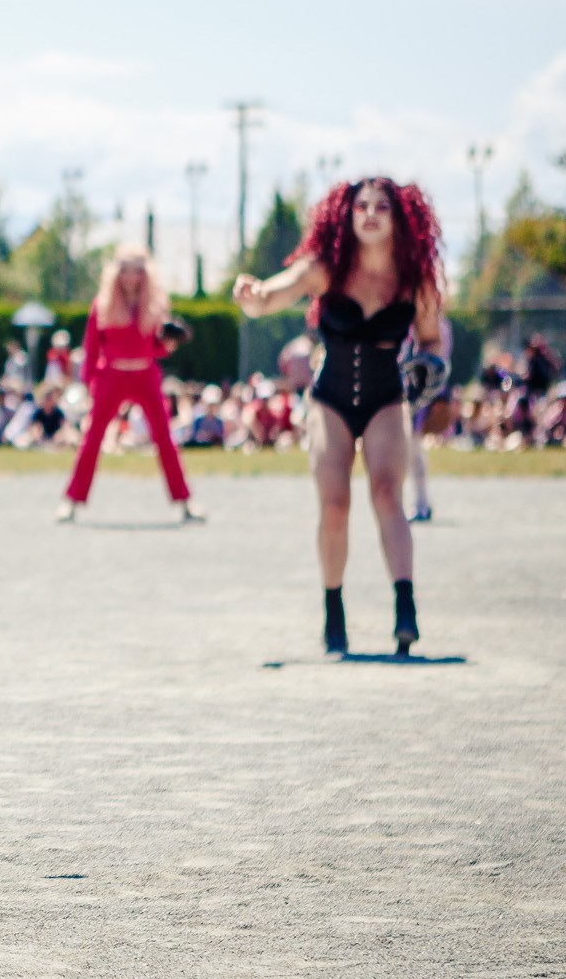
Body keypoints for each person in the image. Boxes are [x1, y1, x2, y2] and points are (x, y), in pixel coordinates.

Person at [234, 178, 448, 655]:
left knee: (388, 494)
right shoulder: (327, 267)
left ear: (401, 217)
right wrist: (253, 295)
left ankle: (405, 608)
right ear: (346, 215)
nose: (370, 213)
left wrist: (431, 365)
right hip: (330, 398)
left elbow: (433, 338)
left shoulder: (416, 279)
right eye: (361, 206)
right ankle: (334, 612)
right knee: (334, 504)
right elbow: (273, 294)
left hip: (386, 396)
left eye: (382, 207)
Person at [57, 247, 202, 523]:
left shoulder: (155, 304)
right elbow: (92, 347)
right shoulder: (103, 304)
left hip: (145, 375)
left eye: (137, 269)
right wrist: (89, 384)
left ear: (146, 272)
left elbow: (155, 349)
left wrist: (169, 343)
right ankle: (72, 500)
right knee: (92, 438)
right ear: (116, 272)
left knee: (165, 439)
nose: (131, 276)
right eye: (126, 268)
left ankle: (184, 501)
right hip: (111, 375)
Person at [404, 312, 456, 522]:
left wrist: (437, 396)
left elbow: (438, 363)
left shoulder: (438, 324)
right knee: (410, 453)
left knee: (413, 451)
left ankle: (421, 504)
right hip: (411, 392)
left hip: (421, 394)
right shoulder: (414, 322)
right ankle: (420, 503)